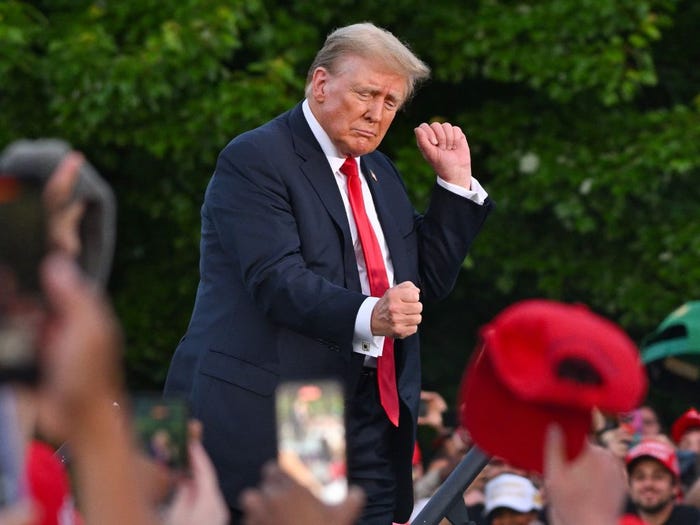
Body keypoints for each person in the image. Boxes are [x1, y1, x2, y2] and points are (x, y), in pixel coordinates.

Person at [163, 21, 492, 524]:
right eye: (367, 93)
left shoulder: (380, 171)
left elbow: (425, 281)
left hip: (375, 413)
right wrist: (371, 314)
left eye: (390, 102)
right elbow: (277, 280)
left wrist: (455, 187)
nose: (377, 113)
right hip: (294, 408)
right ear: (321, 84)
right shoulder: (256, 158)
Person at [621, 438, 700, 525]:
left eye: (658, 477)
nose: (648, 484)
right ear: (629, 486)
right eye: (640, 477)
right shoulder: (613, 518)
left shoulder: (693, 521)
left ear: (675, 486)